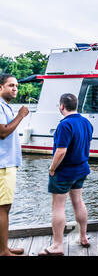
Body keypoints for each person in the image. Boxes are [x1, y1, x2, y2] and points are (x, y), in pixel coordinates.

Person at [38, 93, 93, 256]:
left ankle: (57, 245)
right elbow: (86, 144)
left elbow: (61, 151)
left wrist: (52, 168)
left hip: (64, 172)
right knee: (78, 202)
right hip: (81, 169)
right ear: (76, 105)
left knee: (58, 206)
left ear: (62, 106)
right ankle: (83, 237)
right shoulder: (86, 122)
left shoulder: (64, 125)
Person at [0, 74, 29, 256]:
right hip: (3, 164)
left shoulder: (5, 106)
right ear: (0, 87)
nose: (15, 89)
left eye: (16, 86)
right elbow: (2, 132)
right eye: (11, 85)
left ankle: (4, 246)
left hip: (8, 163)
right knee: (3, 208)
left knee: (5, 207)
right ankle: (3, 251)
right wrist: (20, 115)